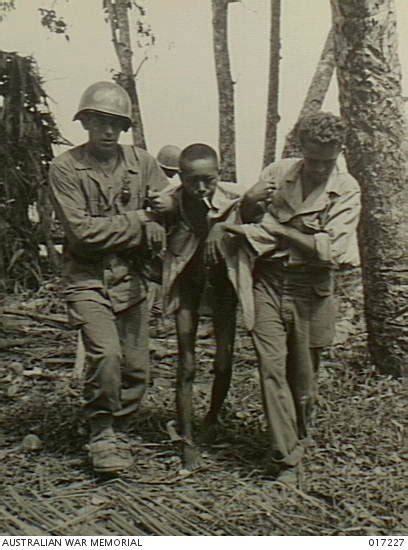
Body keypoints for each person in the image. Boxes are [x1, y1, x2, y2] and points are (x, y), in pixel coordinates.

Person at [226, 112, 361, 483]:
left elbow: (331, 251)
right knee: (270, 368)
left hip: (310, 289)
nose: (318, 169)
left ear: (339, 152)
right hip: (267, 280)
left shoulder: (346, 188)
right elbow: (248, 216)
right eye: (312, 159)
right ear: (300, 149)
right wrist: (252, 202)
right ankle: (286, 456)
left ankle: (300, 433)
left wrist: (279, 232)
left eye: (326, 161)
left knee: (303, 379)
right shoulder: (278, 173)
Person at [49, 81, 168, 474]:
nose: (107, 130)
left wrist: (159, 217)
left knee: (137, 368)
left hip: (132, 278)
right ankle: (101, 432)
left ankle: (120, 426)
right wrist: (139, 220)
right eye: (99, 121)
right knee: (106, 355)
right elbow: (82, 232)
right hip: (87, 278)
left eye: (115, 123)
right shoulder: (66, 168)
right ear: (85, 121)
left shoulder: (143, 163)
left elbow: (166, 209)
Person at [151, 143, 241, 470]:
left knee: (223, 361)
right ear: (181, 177)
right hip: (187, 286)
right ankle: (187, 438)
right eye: (192, 181)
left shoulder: (233, 199)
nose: (201, 187)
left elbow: (258, 217)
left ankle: (212, 420)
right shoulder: (169, 200)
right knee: (186, 362)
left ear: (218, 175)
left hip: (222, 287)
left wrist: (223, 226)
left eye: (208, 180)